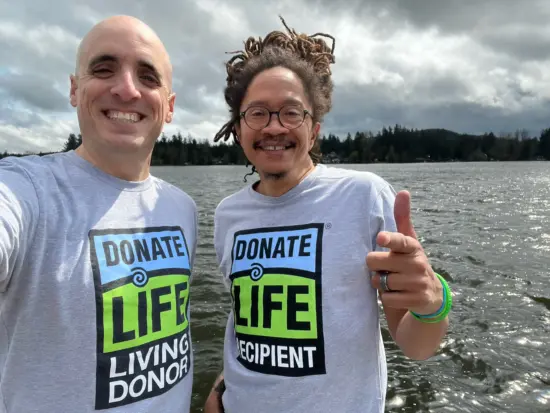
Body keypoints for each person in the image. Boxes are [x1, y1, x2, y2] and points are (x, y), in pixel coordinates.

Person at [204, 16, 452, 413]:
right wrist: (220, 388)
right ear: (238, 128)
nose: (273, 127)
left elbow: (415, 345)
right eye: (257, 113)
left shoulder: (364, 196)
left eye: (291, 112)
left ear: (314, 129)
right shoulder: (227, 214)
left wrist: (433, 302)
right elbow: (250, 321)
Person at [0, 15, 197, 412]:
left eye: (148, 77)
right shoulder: (27, 188)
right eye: (104, 69)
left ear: (170, 106)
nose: (126, 89)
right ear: (75, 90)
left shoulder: (182, 208)